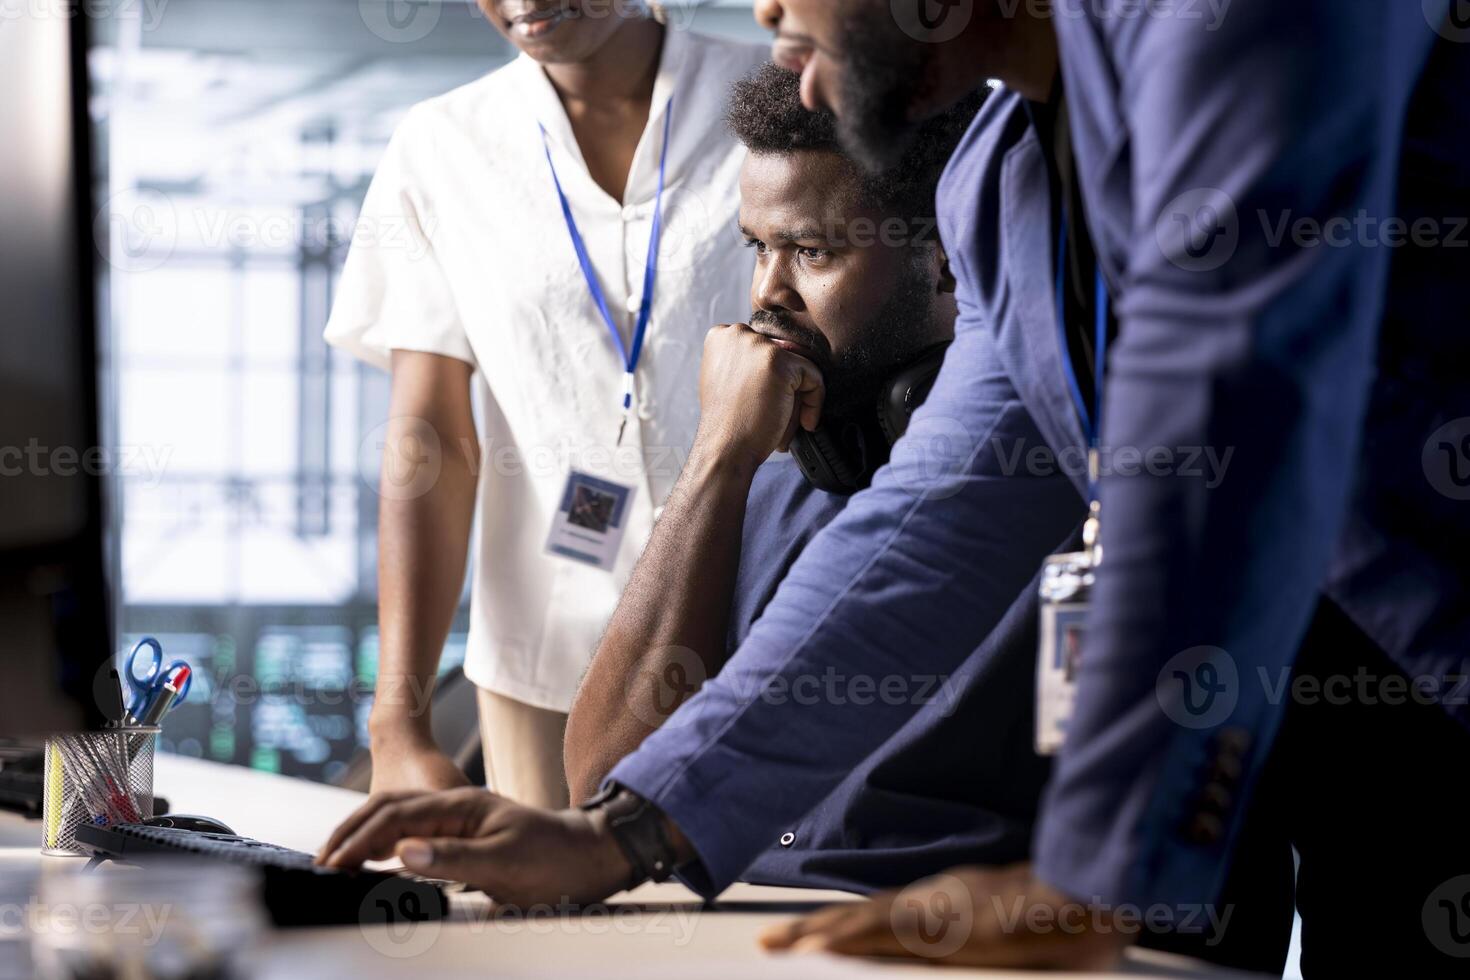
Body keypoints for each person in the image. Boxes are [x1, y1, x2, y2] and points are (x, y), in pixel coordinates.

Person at [314, 29, 1288, 971]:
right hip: (761, 928)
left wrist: (1104, 877)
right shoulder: (995, 190)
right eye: (755, 248)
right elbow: (611, 766)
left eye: (813, 252)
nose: (766, 297)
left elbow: (1247, 513)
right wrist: (717, 460)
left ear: (944, 263)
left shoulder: (1219, 80)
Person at [749, 0, 1470, 974]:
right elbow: (932, 512)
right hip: (1309, 699)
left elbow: (1215, 397)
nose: (764, 8)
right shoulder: (1001, 170)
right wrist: (643, 822)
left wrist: (1090, 878)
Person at [323, 1, 765, 809]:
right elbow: (429, 442)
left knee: (757, 919)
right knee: (544, 929)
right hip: (544, 655)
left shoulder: (775, 96)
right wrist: (397, 725)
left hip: (763, 627)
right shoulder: (443, 145)